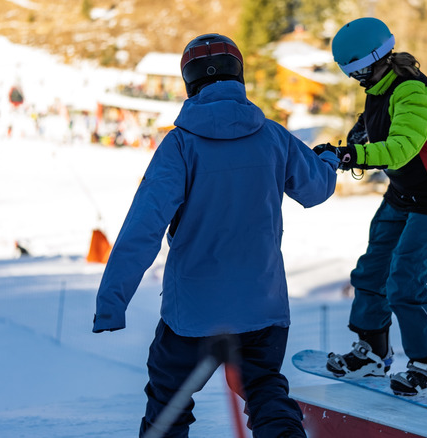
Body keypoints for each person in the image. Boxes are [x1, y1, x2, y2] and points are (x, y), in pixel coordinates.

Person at [92, 33, 340, 438]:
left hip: (192, 314)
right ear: (238, 76)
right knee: (263, 390)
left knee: (169, 401)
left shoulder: (180, 145)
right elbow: (315, 190)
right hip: (262, 305)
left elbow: (143, 227)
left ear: (189, 83)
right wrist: (327, 160)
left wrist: (111, 303)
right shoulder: (272, 136)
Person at [315, 17, 427, 397]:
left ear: (378, 58)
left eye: (360, 70)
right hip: (405, 192)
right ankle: (372, 353)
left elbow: (402, 149)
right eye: (351, 73)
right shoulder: (381, 88)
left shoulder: (413, 92)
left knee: (405, 281)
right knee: (371, 272)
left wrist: (353, 154)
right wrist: (359, 133)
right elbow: (381, 123)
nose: (357, 79)